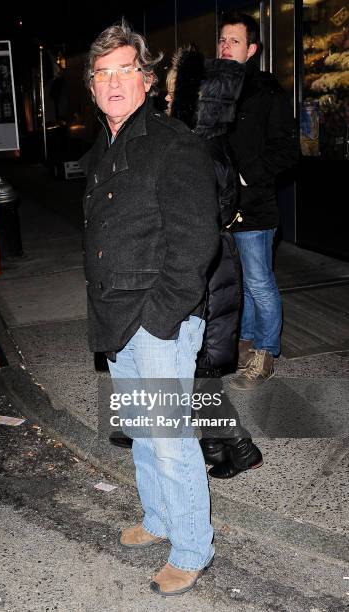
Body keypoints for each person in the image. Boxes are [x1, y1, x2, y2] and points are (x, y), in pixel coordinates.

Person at [79, 21, 218, 596]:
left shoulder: (172, 142)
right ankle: (159, 520)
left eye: (124, 70)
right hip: (117, 317)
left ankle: (191, 547)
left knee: (169, 437)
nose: (113, 82)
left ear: (147, 78)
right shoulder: (104, 149)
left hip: (157, 319)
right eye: (102, 74)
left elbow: (195, 243)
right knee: (141, 432)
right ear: (92, 87)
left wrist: (160, 319)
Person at [166, 46, 263, 478]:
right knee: (200, 371)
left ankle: (238, 445)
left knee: (195, 370)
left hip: (203, 273)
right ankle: (221, 451)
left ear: (193, 102)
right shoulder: (211, 145)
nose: (166, 102)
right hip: (214, 266)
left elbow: (194, 220)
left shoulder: (195, 151)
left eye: (172, 95)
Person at [218, 13, 298, 390]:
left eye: (233, 41)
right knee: (238, 284)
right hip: (221, 207)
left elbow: (287, 150)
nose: (224, 46)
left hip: (255, 206)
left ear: (252, 49)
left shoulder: (268, 93)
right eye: (221, 40)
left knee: (260, 283)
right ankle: (246, 345)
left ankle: (265, 354)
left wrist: (247, 176)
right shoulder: (213, 91)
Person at [0, 57, 15, 122]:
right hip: (3, 113)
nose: (2, 67)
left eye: (4, 65)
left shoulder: (12, 77)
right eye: (0, 65)